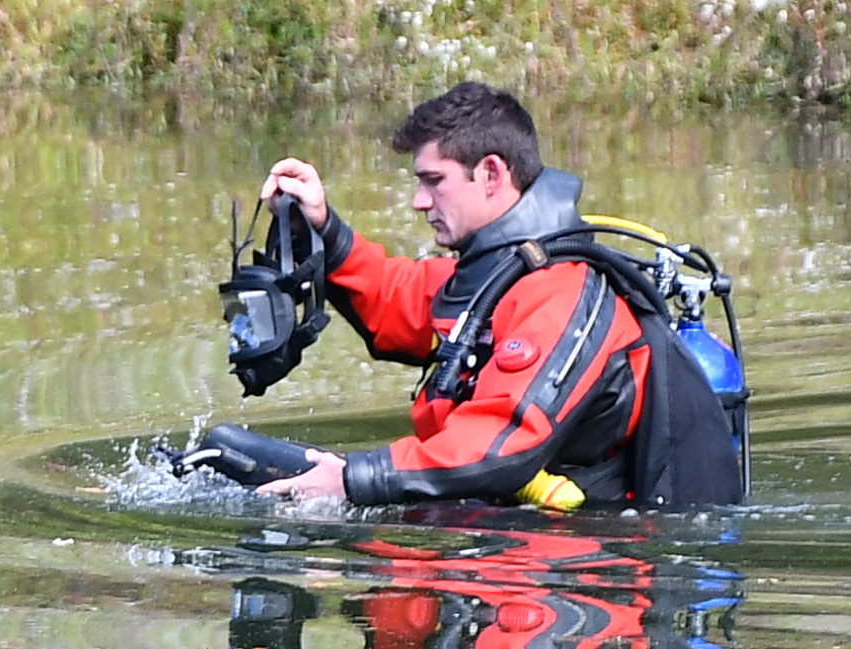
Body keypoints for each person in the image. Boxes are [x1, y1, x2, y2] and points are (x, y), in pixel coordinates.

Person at [206, 82, 741, 509]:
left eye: (433, 181)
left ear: (490, 174)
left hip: (566, 588)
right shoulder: (495, 277)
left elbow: (500, 443)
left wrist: (354, 478)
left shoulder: (561, 292)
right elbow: (399, 300)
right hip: (490, 535)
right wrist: (321, 228)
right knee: (219, 455)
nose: (419, 201)